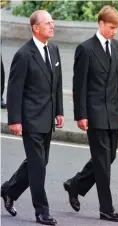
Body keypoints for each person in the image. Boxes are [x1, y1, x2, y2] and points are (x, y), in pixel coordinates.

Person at [1, 10, 63, 225]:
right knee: (38, 165)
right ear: (35, 28)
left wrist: (59, 111)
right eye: (47, 23)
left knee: (41, 161)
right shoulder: (24, 54)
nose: (52, 26)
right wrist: (15, 120)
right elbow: (14, 90)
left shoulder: (53, 50)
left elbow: (57, 85)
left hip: (47, 117)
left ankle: (9, 190)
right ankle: (42, 211)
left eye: (52, 22)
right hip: (30, 119)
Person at [64, 6, 118, 222]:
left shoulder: (117, 47)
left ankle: (75, 184)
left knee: (110, 157)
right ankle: (106, 209)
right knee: (101, 163)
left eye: (117, 28)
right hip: (94, 113)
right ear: (100, 24)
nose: (114, 31)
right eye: (111, 27)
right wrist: (80, 115)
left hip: (112, 112)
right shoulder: (85, 49)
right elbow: (78, 85)